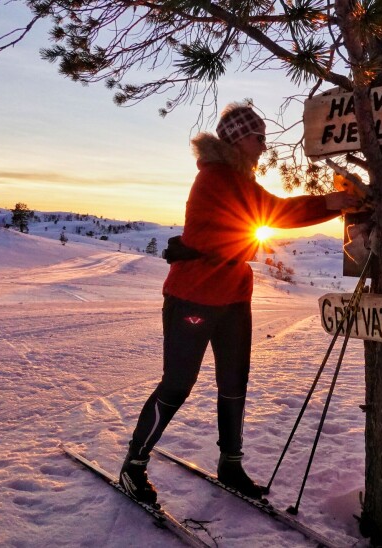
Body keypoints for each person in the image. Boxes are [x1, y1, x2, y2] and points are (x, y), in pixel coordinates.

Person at [119, 102, 361, 503]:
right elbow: (272, 211)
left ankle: (231, 464)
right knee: (177, 385)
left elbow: (264, 211)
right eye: (258, 137)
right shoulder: (216, 178)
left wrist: (330, 204)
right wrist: (330, 203)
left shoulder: (236, 177)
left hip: (233, 297)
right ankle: (134, 466)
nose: (264, 146)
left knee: (234, 383)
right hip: (193, 295)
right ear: (237, 139)